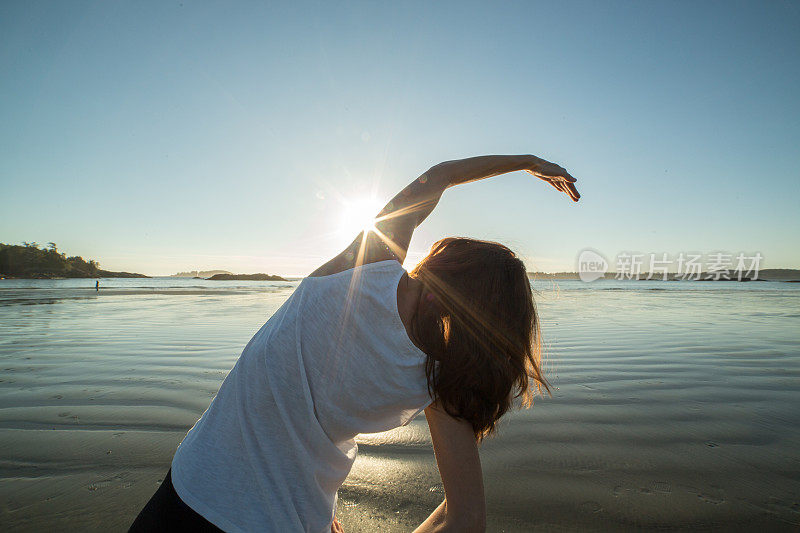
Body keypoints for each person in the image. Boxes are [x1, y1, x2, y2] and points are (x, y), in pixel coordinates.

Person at [129, 154, 580, 533]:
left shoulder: (361, 268)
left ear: (439, 266)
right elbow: (466, 518)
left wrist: (528, 162)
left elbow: (439, 175)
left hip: (191, 488)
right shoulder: (444, 379)